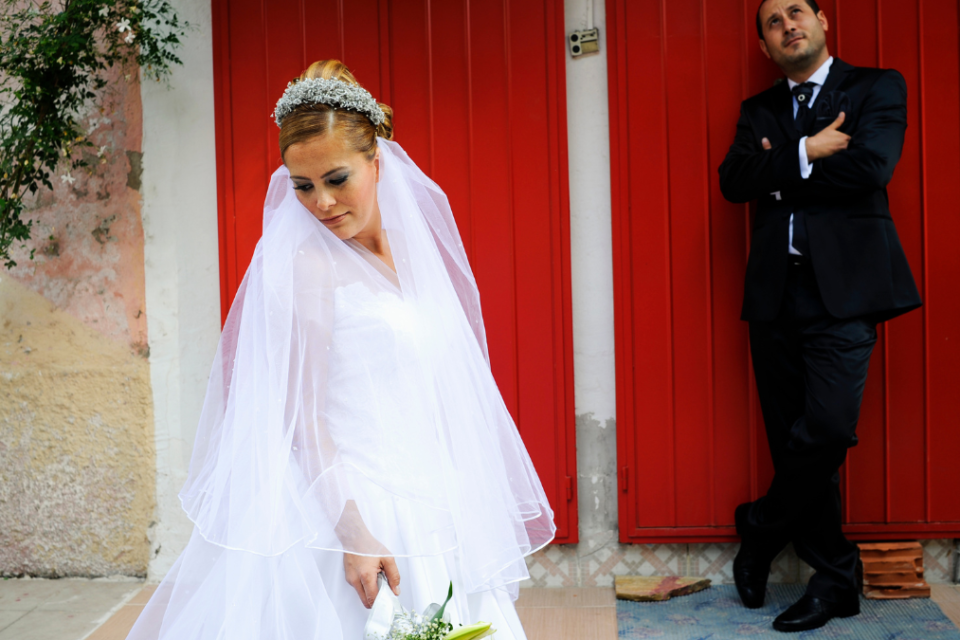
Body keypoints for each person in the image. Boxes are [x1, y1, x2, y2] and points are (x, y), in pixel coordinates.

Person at [125, 60, 555, 640]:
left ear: (376, 164)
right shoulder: (308, 268)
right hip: (351, 511)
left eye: (336, 179)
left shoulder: (414, 254)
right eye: (302, 186)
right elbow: (301, 418)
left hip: (428, 504)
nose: (321, 203)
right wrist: (353, 534)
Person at [718, 0, 921, 633]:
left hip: (847, 294)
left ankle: (759, 532)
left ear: (823, 21)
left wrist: (780, 171)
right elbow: (733, 180)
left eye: (796, 13)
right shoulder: (759, 112)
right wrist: (809, 149)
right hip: (776, 296)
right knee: (794, 443)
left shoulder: (875, 86)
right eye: (773, 23)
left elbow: (870, 167)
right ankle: (834, 582)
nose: (787, 26)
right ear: (764, 45)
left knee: (826, 430)